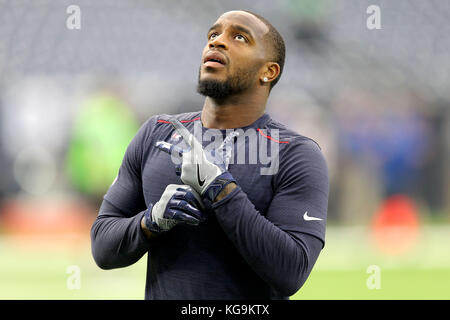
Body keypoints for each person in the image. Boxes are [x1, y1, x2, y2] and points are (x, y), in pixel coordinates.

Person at [91, 10, 329, 300]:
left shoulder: (295, 154)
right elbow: (102, 247)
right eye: (213, 35)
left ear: (269, 71)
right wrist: (150, 222)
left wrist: (220, 189)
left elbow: (291, 271)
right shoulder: (157, 133)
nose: (217, 42)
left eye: (239, 37)